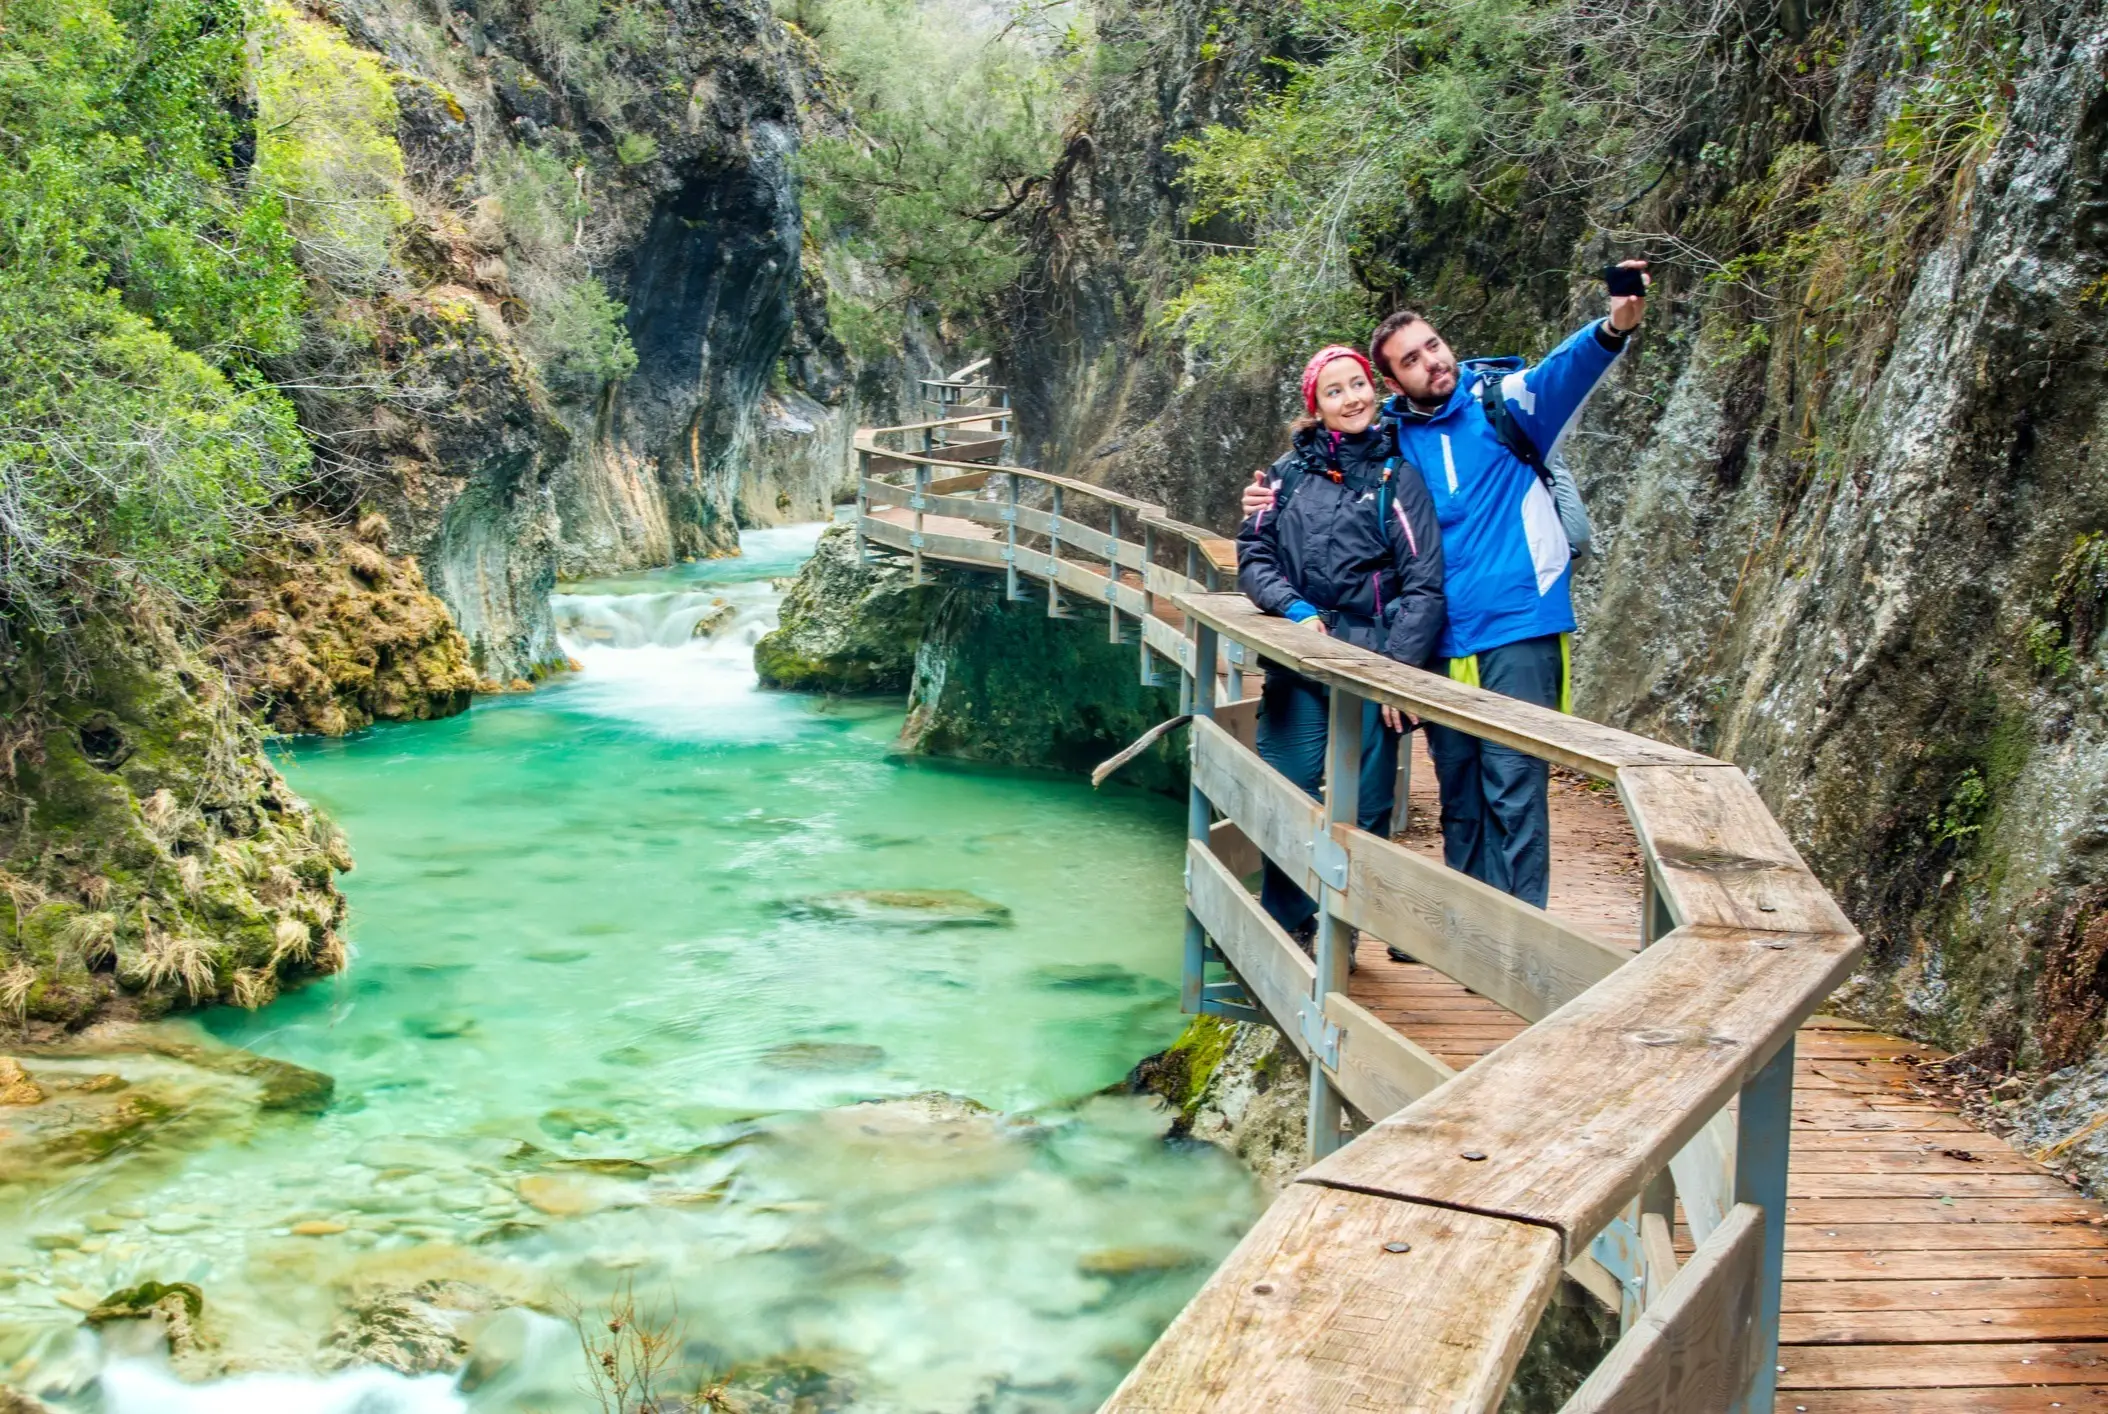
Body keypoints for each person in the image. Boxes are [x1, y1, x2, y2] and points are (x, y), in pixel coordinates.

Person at [1242, 264, 1648, 909]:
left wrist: (1615, 324)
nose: (1431, 362)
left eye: (1433, 346)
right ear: (1392, 382)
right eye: (1410, 360)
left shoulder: (1505, 404)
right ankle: (1465, 923)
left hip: (1519, 624)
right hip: (1437, 635)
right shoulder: (1389, 439)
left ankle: (1521, 933)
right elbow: (1326, 463)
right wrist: (1266, 495)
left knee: (1514, 782)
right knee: (1459, 786)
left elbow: (1566, 370)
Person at [1236, 345, 1444, 946]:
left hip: (1371, 662)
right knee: (1287, 784)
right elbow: (1255, 555)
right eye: (1335, 391)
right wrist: (1293, 608)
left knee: (1368, 803)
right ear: (1316, 405)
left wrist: (1395, 674)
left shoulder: (1396, 476)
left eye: (1358, 385)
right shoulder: (1286, 474)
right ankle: (1288, 921)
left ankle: (1344, 933)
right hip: (1301, 660)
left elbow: (1424, 583)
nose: (1351, 398)